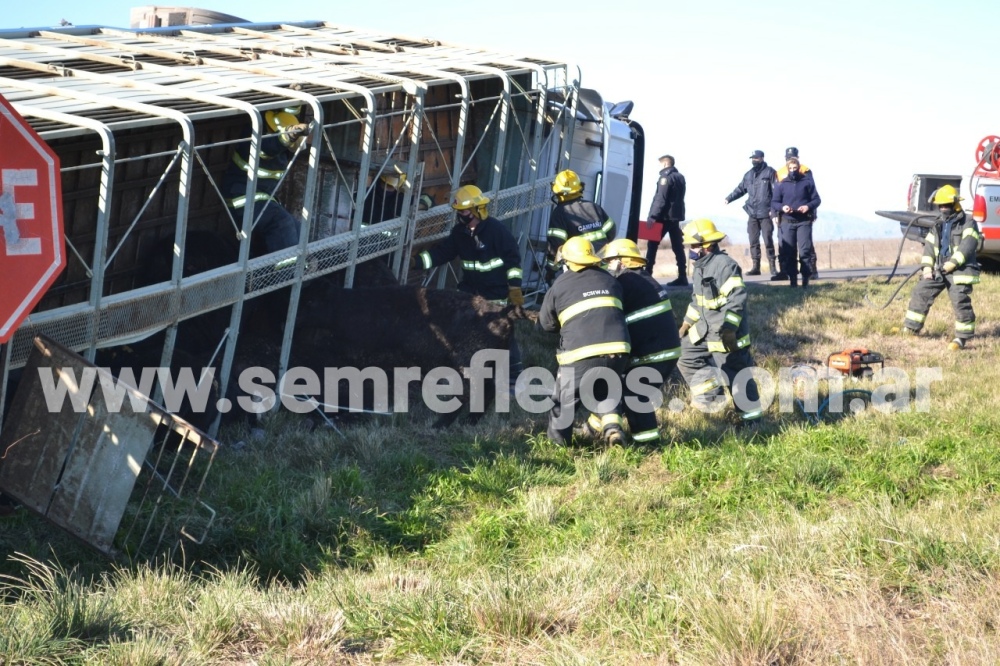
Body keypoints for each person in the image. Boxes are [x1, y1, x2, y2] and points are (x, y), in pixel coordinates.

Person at [415, 184, 525, 384]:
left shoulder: (496, 232)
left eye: (463, 211)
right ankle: (465, 373)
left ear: (476, 210)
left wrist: (514, 288)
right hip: (470, 293)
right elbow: (442, 253)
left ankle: (513, 375)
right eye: (459, 212)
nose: (460, 215)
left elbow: (513, 261)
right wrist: (418, 261)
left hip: (495, 294)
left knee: (501, 335)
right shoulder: (460, 233)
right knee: (464, 332)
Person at [538, 236, 631, 446]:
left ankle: (558, 447)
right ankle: (613, 430)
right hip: (618, 351)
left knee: (564, 401)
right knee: (606, 393)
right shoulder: (610, 280)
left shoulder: (559, 285)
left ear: (568, 262)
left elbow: (546, 325)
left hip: (580, 355)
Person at [676, 219, 763, 427]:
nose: (690, 250)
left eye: (693, 246)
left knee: (736, 375)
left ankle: (752, 422)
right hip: (704, 330)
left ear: (706, 245)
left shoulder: (725, 265)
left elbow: (737, 299)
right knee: (685, 355)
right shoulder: (700, 267)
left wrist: (730, 330)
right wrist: (686, 324)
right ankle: (712, 397)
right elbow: (698, 301)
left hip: (726, 333)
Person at [600, 238, 681, 445]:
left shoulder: (625, 282)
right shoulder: (641, 279)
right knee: (631, 392)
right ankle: (598, 429)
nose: (608, 266)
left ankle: (648, 446)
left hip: (653, 352)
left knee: (634, 395)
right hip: (663, 350)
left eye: (610, 261)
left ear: (622, 261)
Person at [898, 184, 981, 350]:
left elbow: (967, 246)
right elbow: (929, 247)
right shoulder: (937, 224)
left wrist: (952, 264)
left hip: (960, 270)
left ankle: (961, 339)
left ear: (955, 204)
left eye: (946, 205)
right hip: (939, 269)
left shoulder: (968, 223)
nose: (943, 208)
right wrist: (927, 268)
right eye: (940, 205)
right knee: (921, 291)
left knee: (959, 301)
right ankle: (911, 327)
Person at [222, 105, 308, 254]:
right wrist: (289, 135)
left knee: (297, 227)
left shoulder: (278, 133)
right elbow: (269, 147)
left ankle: (302, 267)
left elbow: (285, 117)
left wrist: (295, 103)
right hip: (242, 196)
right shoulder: (255, 136)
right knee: (282, 224)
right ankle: (287, 273)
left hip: (263, 197)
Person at [546, 169, 617, 281]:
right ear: (580, 188)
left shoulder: (559, 213)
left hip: (579, 269)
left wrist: (551, 270)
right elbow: (611, 232)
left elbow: (555, 247)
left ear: (557, 192)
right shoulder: (594, 207)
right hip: (603, 267)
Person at [724, 150, 778, 276]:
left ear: (762, 158)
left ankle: (773, 267)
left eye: (757, 158)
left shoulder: (770, 172)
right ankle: (756, 267)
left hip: (766, 213)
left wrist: (774, 210)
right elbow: (740, 189)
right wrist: (729, 198)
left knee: (768, 240)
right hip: (752, 213)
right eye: (753, 158)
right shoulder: (748, 175)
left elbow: (777, 191)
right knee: (753, 241)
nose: (754, 160)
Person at [770, 157, 821, 288]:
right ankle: (793, 281)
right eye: (790, 169)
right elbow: (774, 202)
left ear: (799, 168)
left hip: (803, 221)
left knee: (804, 251)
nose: (793, 171)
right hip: (787, 221)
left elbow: (816, 200)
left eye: (795, 168)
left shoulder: (807, 182)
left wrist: (808, 207)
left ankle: (805, 280)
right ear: (787, 169)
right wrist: (782, 208)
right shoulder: (782, 184)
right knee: (790, 252)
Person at [644, 154, 687, 285]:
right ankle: (682, 276)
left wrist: (652, 216)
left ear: (664, 164)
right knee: (678, 246)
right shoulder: (680, 177)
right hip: (675, 217)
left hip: (664, 217)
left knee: (652, 245)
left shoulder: (665, 178)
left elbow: (660, 199)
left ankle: (647, 274)